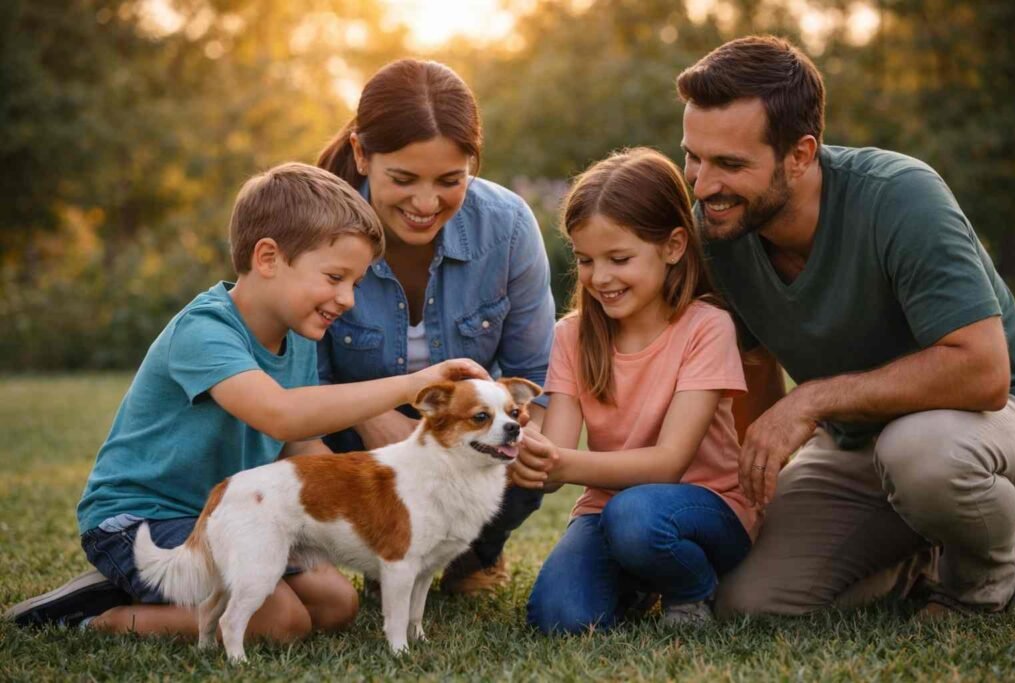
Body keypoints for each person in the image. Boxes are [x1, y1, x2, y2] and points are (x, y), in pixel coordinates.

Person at [6, 163, 488, 638]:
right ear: (268, 258)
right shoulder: (205, 331)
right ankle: (97, 615)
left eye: (355, 284)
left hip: (236, 518)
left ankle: (160, 589)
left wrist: (379, 497)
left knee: (337, 603)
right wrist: (412, 385)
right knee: (280, 622)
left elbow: (300, 447)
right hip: (141, 520)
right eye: (335, 277)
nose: (348, 299)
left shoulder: (298, 338)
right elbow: (280, 416)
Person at [676, 35, 1015, 618]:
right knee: (749, 603)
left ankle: (986, 583)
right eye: (694, 156)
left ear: (800, 154)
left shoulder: (901, 196)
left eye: (730, 164)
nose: (703, 184)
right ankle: (921, 556)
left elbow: (985, 372)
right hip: (857, 443)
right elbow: (753, 366)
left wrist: (813, 399)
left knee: (923, 455)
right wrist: (755, 484)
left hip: (994, 420)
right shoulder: (720, 227)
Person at [315, 59, 556, 594]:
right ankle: (375, 550)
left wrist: (528, 435)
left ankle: (475, 555)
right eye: (403, 179)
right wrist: (376, 418)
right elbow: (299, 380)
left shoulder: (508, 226)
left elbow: (535, 371)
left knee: (524, 451)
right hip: (349, 432)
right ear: (361, 154)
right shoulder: (315, 226)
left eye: (450, 181)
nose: (426, 204)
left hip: (464, 425)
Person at [513, 148, 756, 633]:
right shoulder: (572, 335)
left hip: (706, 509)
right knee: (560, 619)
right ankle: (642, 575)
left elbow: (669, 463)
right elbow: (555, 464)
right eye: (585, 260)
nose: (600, 277)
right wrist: (530, 452)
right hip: (608, 512)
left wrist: (564, 464)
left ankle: (693, 587)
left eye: (619, 259)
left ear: (673, 246)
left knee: (635, 516)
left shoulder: (706, 327)